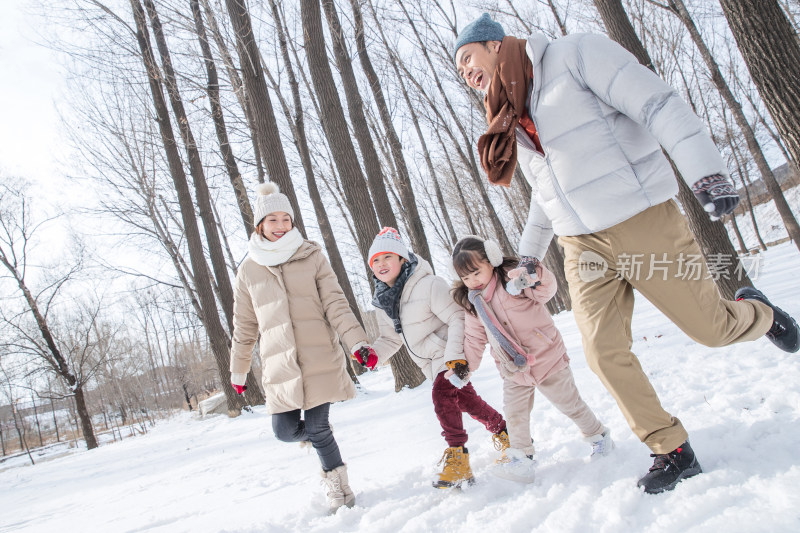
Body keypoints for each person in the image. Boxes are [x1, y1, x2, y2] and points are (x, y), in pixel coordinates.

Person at [453, 13, 800, 494]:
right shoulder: (511, 115)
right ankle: (670, 447)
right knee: (601, 351)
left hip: (639, 218)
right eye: (460, 72)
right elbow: (544, 194)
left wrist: (706, 171)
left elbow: (656, 103)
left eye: (468, 58)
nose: (466, 73)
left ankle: (760, 314)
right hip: (581, 244)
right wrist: (527, 259)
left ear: (494, 44)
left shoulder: (574, 55)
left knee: (712, 330)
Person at [229, 182, 375, 513]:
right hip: (280, 365)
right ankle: (318, 438)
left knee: (319, 426)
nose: (280, 226)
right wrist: (238, 369)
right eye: (272, 220)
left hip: (319, 355)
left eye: (286, 219)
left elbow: (336, 303)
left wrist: (358, 343)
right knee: (284, 432)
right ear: (260, 225)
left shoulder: (311, 255)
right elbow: (245, 326)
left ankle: (341, 492)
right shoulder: (248, 270)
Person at [451, 235, 613, 483]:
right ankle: (522, 460)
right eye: (466, 277)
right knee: (515, 414)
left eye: (476, 273)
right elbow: (474, 339)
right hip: (512, 368)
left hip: (546, 356)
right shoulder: (473, 303)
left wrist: (537, 274)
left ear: (492, 260)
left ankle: (599, 436)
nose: (472, 281)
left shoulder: (513, 279)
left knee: (569, 404)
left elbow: (546, 292)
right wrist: (466, 367)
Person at [359, 227, 508, 489]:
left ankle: (458, 458)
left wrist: (454, 358)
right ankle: (505, 432)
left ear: (402, 259)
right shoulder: (383, 302)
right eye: (376, 260)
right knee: (468, 402)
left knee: (441, 397)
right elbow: (391, 339)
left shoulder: (428, 284)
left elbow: (457, 317)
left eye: (387, 257)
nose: (381, 264)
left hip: (449, 354)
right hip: (427, 362)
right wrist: (374, 356)